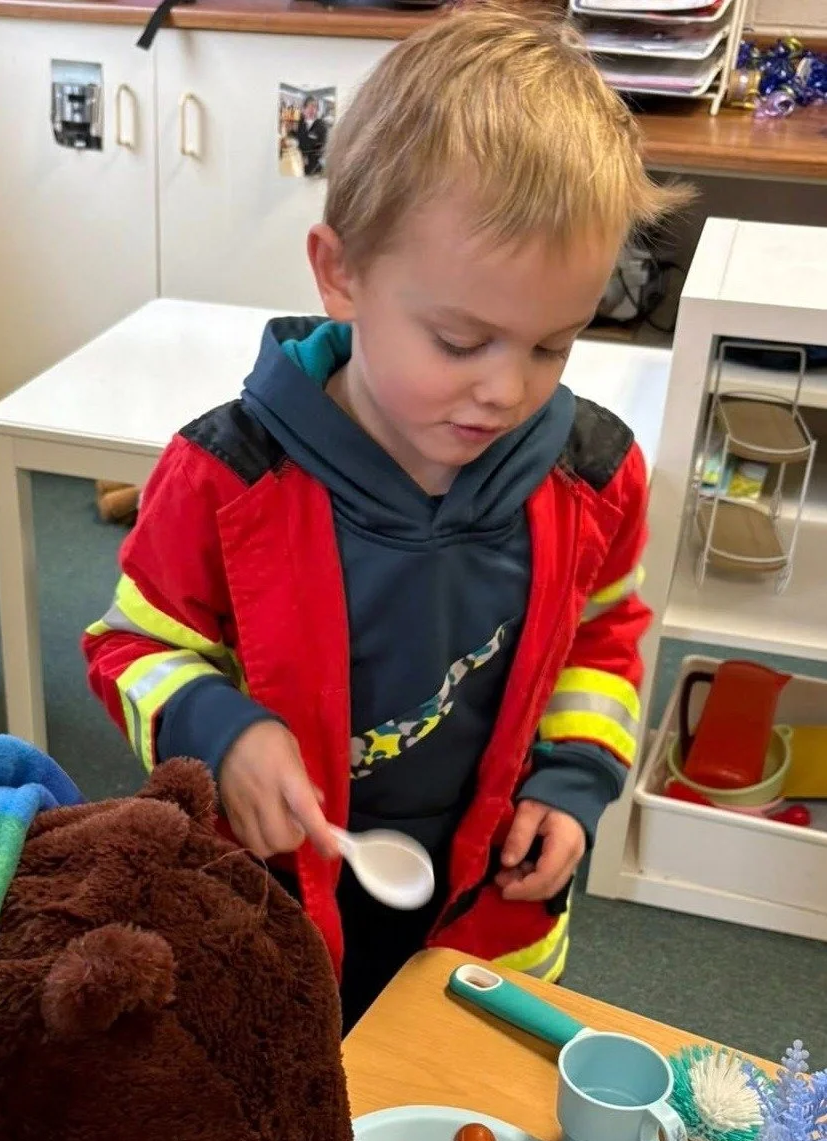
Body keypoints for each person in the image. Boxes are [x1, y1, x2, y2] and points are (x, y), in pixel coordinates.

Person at [84, 6, 688, 1029]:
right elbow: (132, 648)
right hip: (273, 881)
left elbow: (605, 639)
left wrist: (574, 777)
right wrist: (217, 729)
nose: (504, 391)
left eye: (551, 346)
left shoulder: (591, 476)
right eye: (459, 340)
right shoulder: (225, 476)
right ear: (340, 275)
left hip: (483, 894)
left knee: (451, 1096)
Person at [296, 95, 328, 177]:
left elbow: (320, 148)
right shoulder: (300, 123)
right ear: (303, 109)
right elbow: (298, 138)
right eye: (308, 107)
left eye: (314, 107)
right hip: (298, 164)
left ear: (317, 110)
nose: (311, 110)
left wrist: (307, 157)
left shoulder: (322, 126)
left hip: (314, 168)